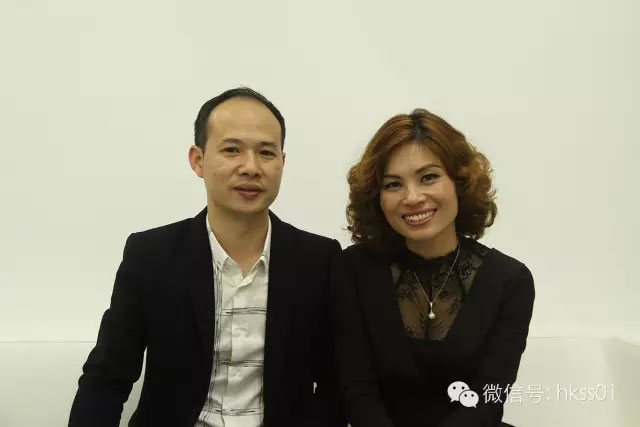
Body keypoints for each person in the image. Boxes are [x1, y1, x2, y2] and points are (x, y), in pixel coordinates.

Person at [69, 87, 345, 427]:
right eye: (232, 150)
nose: (251, 167)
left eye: (266, 153)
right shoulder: (151, 256)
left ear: (282, 163)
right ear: (198, 160)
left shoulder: (319, 261)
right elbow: (107, 378)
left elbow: (335, 383)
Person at [331, 108, 535, 427]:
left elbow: (488, 399)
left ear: (460, 182)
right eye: (393, 184)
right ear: (377, 197)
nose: (413, 197)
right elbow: (357, 391)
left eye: (428, 177)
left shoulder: (510, 281)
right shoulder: (352, 270)